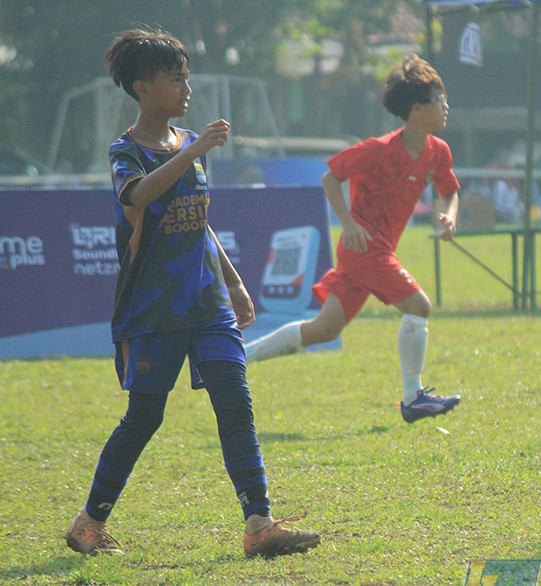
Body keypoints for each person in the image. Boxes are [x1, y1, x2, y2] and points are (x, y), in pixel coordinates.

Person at [65, 28, 321, 558]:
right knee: (145, 418)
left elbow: (199, 221)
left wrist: (234, 281)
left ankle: (259, 523)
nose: (186, 86)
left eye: (187, 76)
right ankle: (88, 523)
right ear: (142, 88)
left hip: (207, 301)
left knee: (235, 399)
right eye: (174, 78)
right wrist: (197, 148)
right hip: (154, 307)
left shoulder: (187, 144)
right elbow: (138, 196)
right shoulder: (127, 152)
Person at [245, 55, 461, 424]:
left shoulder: (437, 151)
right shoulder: (378, 150)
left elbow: (449, 191)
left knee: (322, 330)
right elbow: (330, 179)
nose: (446, 107)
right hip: (363, 248)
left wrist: (449, 216)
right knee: (419, 307)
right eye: (440, 100)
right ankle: (414, 397)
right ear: (417, 109)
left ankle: (234, 358)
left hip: (374, 251)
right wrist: (348, 223)